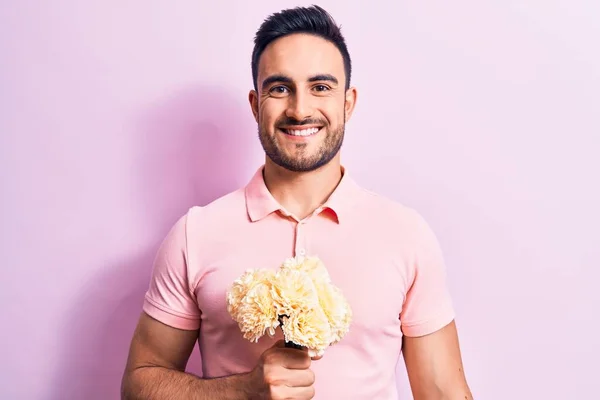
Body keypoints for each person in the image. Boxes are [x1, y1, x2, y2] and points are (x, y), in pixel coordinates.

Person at [121, 5, 473, 400]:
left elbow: (444, 392)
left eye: (320, 87)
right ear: (256, 105)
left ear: (348, 103)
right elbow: (139, 385)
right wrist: (241, 391)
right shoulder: (195, 234)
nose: (300, 109)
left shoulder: (406, 235)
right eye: (279, 88)